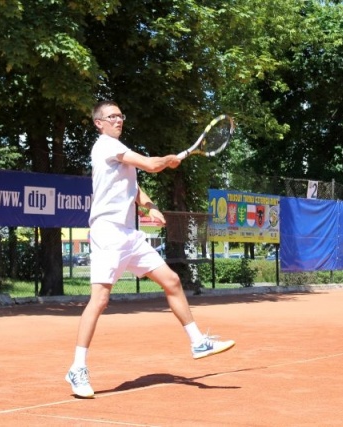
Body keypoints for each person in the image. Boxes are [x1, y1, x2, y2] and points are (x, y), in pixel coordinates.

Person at [65, 100, 235, 398]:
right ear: (98, 123)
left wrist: (151, 206)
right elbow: (152, 165)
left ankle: (197, 341)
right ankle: (77, 368)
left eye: (120, 115)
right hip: (108, 232)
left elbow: (134, 188)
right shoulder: (105, 146)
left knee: (172, 281)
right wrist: (169, 160)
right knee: (100, 300)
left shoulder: (119, 151)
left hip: (129, 235)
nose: (118, 120)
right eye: (111, 116)